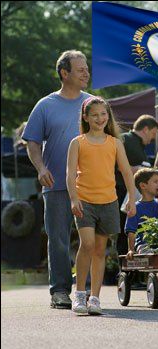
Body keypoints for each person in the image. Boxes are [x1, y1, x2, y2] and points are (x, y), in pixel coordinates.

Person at [22, 50, 92, 309]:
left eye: (86, 68)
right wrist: (40, 168)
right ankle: (60, 291)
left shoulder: (93, 104)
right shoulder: (45, 105)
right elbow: (32, 141)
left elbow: (110, 140)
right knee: (59, 240)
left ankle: (88, 292)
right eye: (80, 69)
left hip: (90, 185)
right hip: (57, 186)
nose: (86, 72)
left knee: (93, 240)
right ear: (65, 73)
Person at [66, 96, 136, 315]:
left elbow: (126, 172)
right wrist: (73, 198)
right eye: (94, 115)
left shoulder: (115, 143)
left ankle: (95, 298)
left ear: (108, 116)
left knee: (99, 250)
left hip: (108, 202)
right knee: (86, 244)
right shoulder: (77, 142)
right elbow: (69, 174)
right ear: (86, 117)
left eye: (103, 114)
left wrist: (132, 198)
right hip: (84, 201)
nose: (99, 118)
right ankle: (79, 294)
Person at [115, 115, 158, 255]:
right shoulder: (125, 139)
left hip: (132, 196)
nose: (152, 138)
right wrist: (136, 169)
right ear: (145, 129)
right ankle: (123, 271)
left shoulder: (138, 144)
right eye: (153, 133)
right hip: (121, 193)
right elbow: (114, 164)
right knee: (124, 232)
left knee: (131, 232)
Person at [125, 168, 158, 256]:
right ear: (143, 186)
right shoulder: (135, 208)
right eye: (155, 182)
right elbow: (131, 232)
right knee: (148, 252)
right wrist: (130, 250)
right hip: (144, 245)